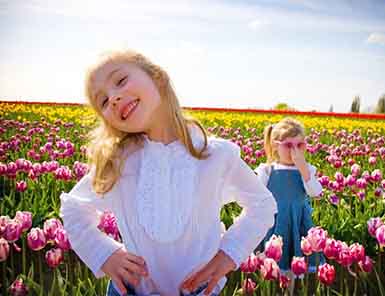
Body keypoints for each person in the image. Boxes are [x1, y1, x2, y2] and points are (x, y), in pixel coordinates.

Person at [59, 49, 277, 296]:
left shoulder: (216, 155)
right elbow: (73, 208)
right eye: (104, 102)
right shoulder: (119, 162)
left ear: (157, 77)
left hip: (199, 290)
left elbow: (262, 205)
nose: (115, 98)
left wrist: (229, 253)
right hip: (133, 290)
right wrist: (104, 253)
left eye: (120, 81)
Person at [254, 118, 323, 275]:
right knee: (274, 261)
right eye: (288, 146)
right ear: (275, 146)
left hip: (299, 220)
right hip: (275, 221)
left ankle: (293, 286)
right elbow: (256, 196)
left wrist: (303, 168)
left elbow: (315, 193)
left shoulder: (307, 170)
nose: (295, 151)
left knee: (297, 259)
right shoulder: (268, 170)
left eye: (300, 145)